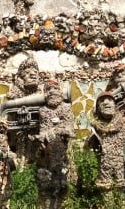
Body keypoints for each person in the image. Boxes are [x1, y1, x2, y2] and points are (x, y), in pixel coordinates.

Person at [35, 80, 74, 208]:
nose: (52, 91)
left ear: (60, 91)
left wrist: (56, 131)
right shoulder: (43, 110)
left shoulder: (66, 108)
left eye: (55, 88)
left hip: (63, 153)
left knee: (64, 183)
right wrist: (45, 136)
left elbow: (69, 129)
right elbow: (42, 129)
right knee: (46, 184)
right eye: (48, 89)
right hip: (47, 155)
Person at [91, 91, 125, 189]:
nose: (106, 102)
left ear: (115, 104)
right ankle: (107, 203)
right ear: (98, 108)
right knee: (105, 189)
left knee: (122, 187)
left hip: (121, 163)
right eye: (102, 101)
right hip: (104, 164)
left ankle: (122, 203)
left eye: (110, 100)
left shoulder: (120, 121)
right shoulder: (96, 125)